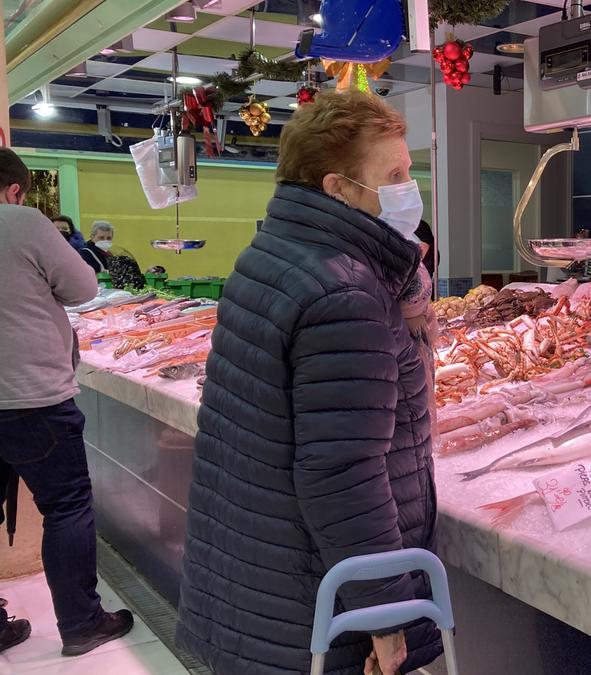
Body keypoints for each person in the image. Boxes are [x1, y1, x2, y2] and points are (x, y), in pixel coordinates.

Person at [176, 91, 441, 675]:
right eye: (393, 175)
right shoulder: (345, 293)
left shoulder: (270, 253)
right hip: (311, 599)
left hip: (255, 573)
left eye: (409, 171)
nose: (409, 188)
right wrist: (386, 619)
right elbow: (343, 474)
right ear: (337, 188)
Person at [0, 148, 135, 656]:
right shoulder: (23, 222)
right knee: (66, 508)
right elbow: (82, 287)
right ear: (16, 189)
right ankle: (82, 623)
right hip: (31, 396)